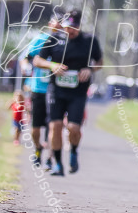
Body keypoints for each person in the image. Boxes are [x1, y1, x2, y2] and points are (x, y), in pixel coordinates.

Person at [32, 9, 102, 177]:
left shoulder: (89, 41)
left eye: (73, 28)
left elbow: (99, 62)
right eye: (67, 27)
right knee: (55, 126)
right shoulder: (54, 39)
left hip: (78, 92)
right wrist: (51, 66)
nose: (70, 31)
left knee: (73, 128)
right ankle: (57, 164)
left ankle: (73, 152)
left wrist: (90, 69)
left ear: (79, 27)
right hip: (56, 90)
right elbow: (37, 60)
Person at [24, 17, 60, 168]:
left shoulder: (65, 43)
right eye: (55, 23)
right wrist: (26, 68)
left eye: (60, 24)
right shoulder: (40, 40)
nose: (57, 26)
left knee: (53, 126)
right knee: (36, 127)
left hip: (56, 91)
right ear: (50, 24)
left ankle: (50, 158)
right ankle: (38, 149)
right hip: (38, 89)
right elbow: (26, 57)